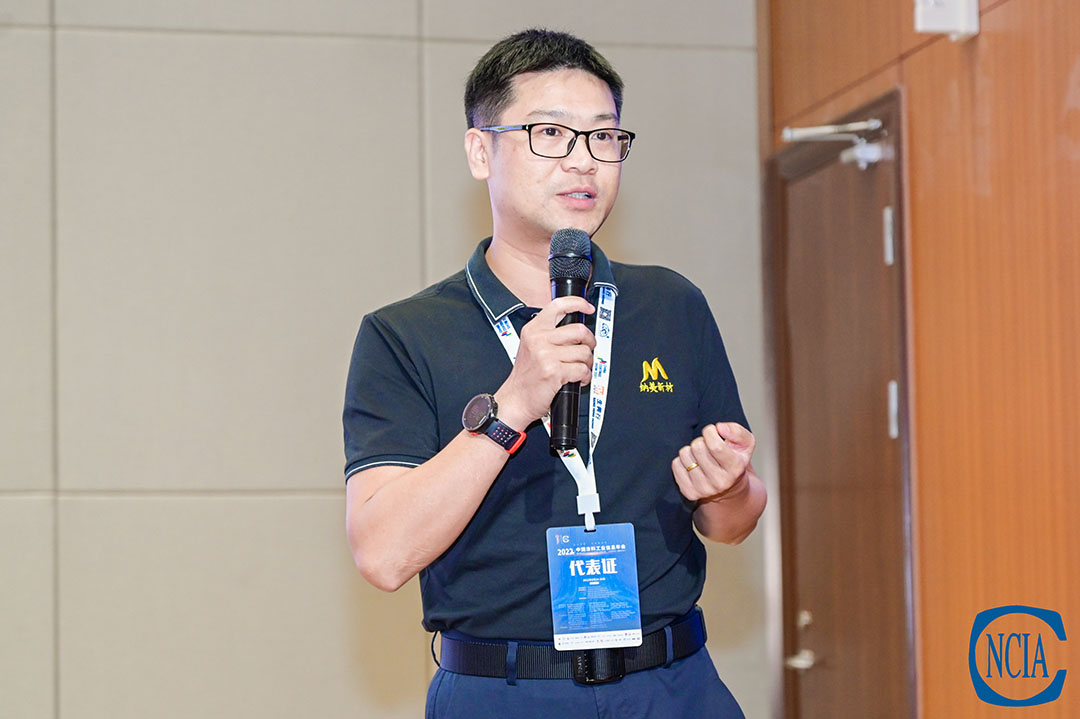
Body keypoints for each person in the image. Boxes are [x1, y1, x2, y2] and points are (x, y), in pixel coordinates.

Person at [343, 28, 766, 719]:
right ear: (481, 151)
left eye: (604, 136)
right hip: (503, 690)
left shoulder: (671, 305)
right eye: (550, 133)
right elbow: (384, 554)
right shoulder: (405, 335)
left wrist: (729, 486)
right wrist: (512, 405)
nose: (583, 161)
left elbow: (730, 522)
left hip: (673, 684)